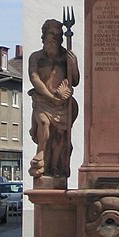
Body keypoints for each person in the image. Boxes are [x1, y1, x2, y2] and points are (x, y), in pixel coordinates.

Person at [28, 19, 80, 178]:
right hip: (43, 101)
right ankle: (41, 153)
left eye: (58, 35)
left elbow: (75, 81)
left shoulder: (66, 56)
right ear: (44, 35)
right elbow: (34, 78)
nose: (54, 38)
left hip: (63, 104)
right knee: (43, 123)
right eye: (51, 34)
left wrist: (73, 65)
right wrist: (51, 96)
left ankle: (56, 169)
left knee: (59, 138)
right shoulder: (36, 57)